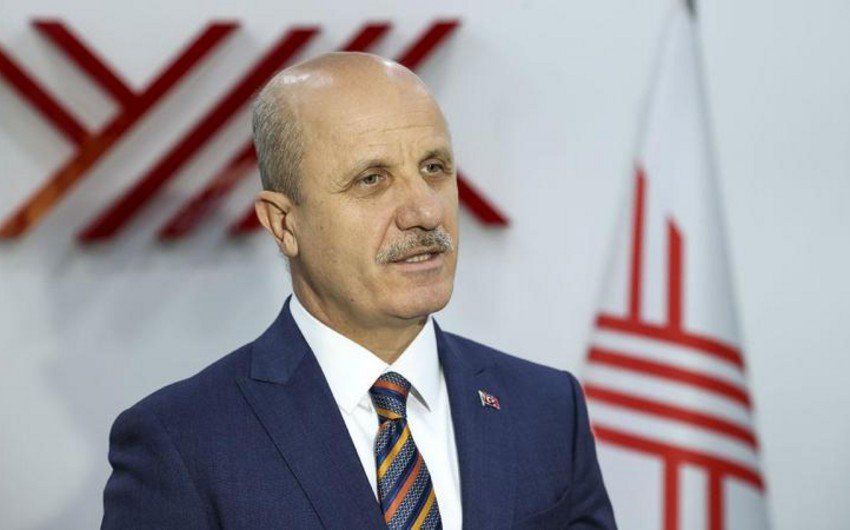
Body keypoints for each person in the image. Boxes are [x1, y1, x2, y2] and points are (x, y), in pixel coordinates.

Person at [101, 52, 617, 529]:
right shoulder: (182, 443)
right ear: (283, 224)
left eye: (434, 168)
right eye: (371, 179)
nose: (425, 211)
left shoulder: (548, 408)